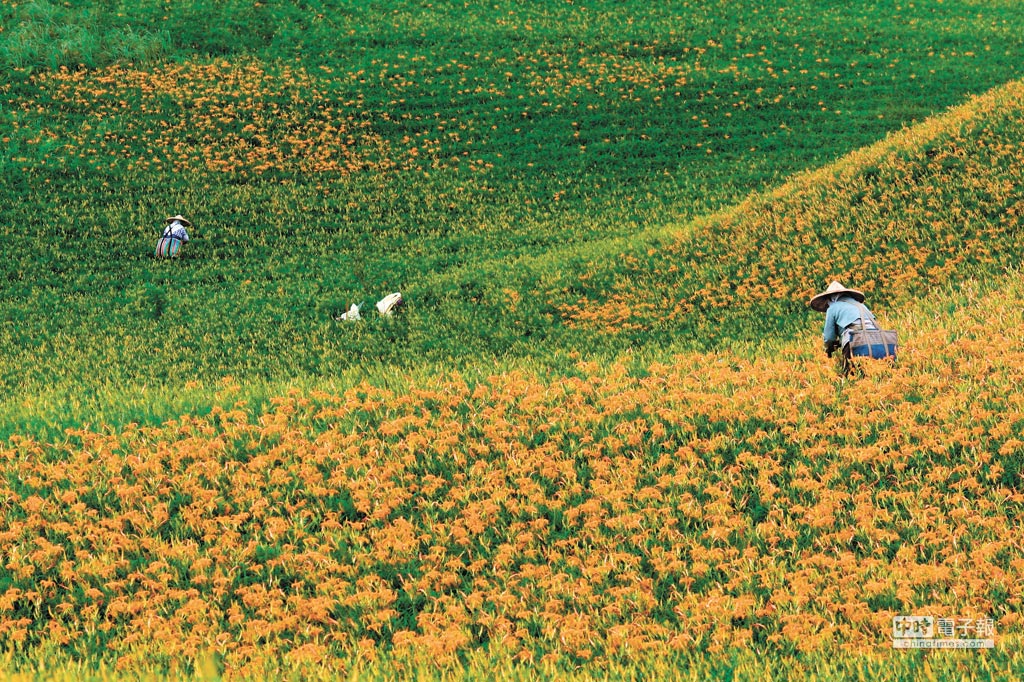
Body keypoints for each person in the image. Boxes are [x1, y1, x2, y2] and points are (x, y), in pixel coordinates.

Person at [809, 281, 882, 363]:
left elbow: (829, 337)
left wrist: (829, 349)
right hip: (878, 340)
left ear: (830, 298)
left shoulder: (833, 307)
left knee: (851, 373)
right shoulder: (861, 305)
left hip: (855, 341)